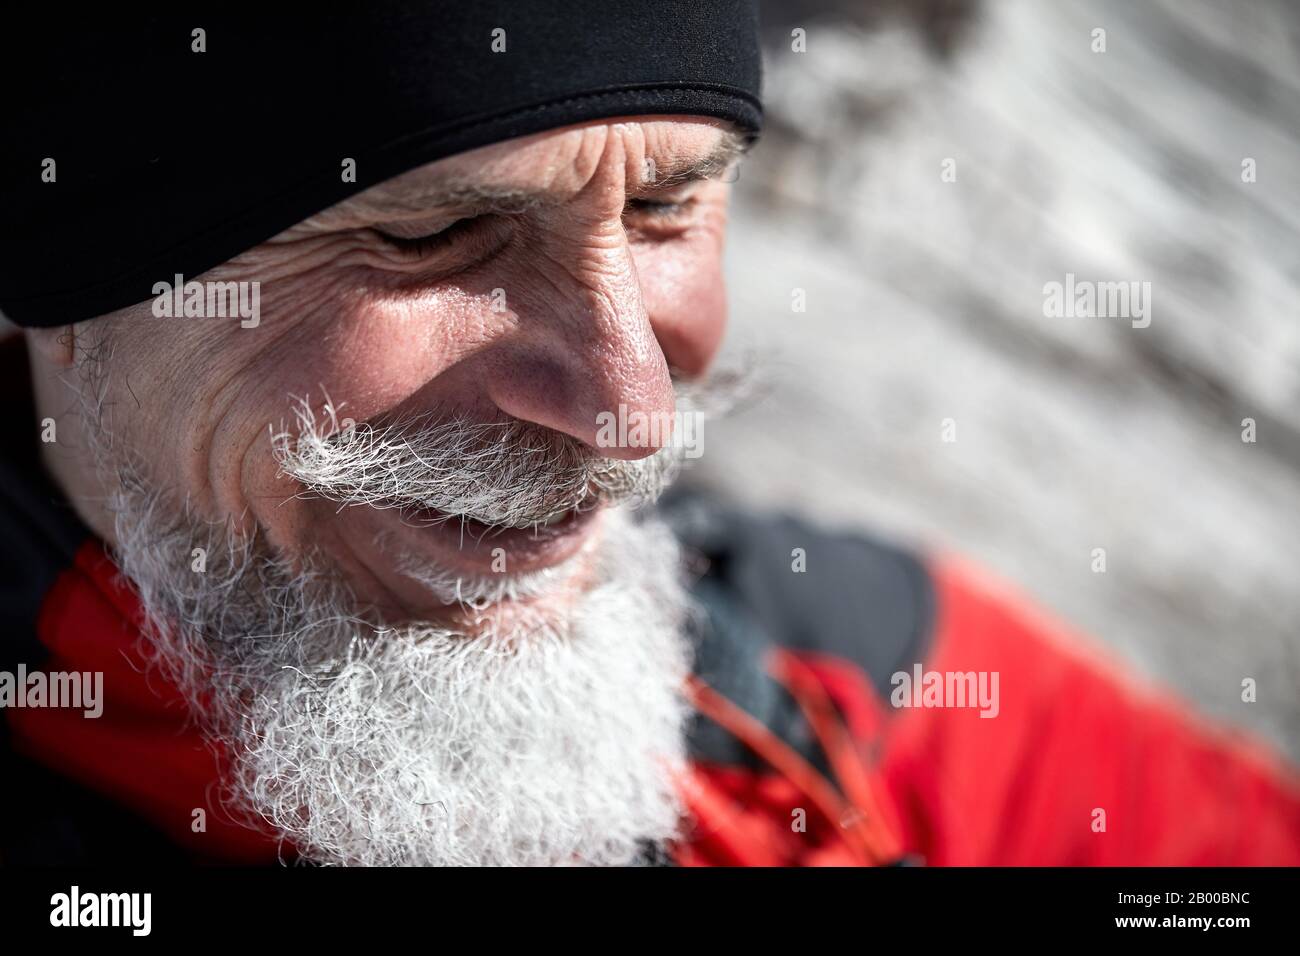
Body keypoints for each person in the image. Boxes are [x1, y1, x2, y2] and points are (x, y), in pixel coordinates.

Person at [1, 6, 1295, 867]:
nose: (631, 414)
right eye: (427, 237)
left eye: (670, 207)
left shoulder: (862, 673)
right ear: (71, 289)